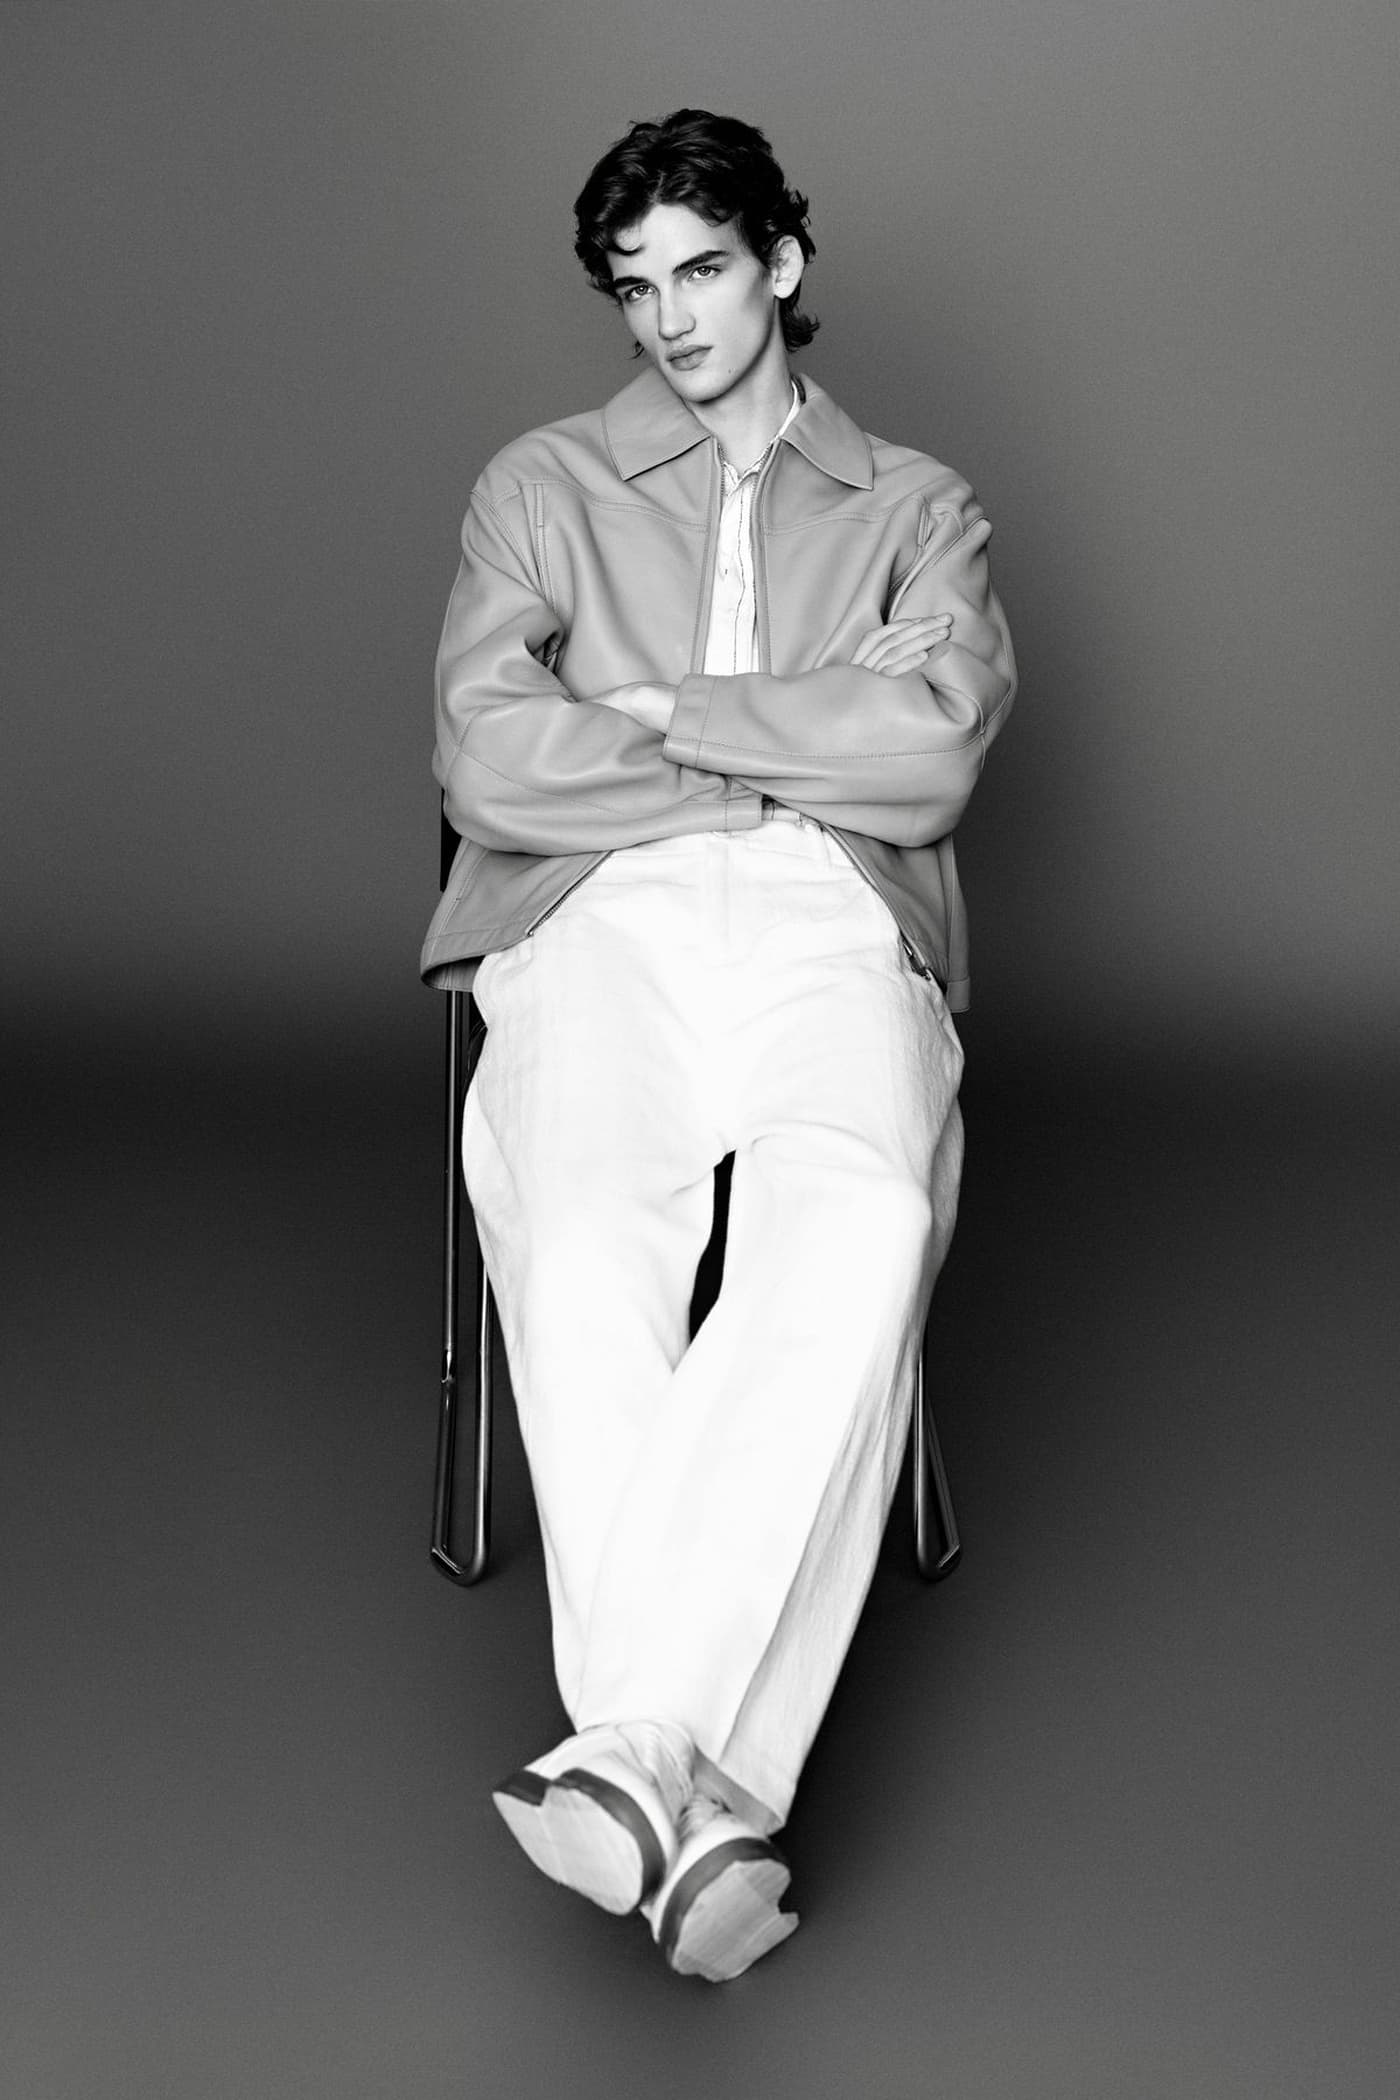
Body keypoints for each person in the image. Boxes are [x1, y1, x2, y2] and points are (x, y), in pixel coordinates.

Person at [421, 108, 1016, 1981]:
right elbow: (487, 759)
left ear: (782, 264)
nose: (669, 318)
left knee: (861, 1216)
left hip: (837, 910)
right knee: (586, 1232)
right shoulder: (541, 486)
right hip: (598, 905)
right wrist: (791, 727)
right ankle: (716, 1803)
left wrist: (661, 706)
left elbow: (933, 752)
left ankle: (635, 1766)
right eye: (635, 287)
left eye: (701, 269)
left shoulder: (915, 506)